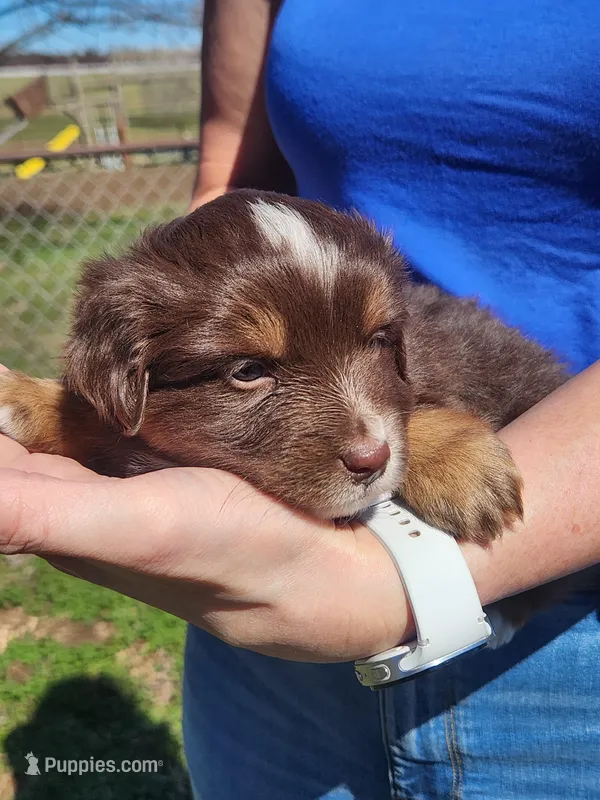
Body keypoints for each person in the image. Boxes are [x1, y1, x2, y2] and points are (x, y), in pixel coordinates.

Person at [1, 0, 599, 797]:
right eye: (253, 368)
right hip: (260, 631)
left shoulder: (429, 354)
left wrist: (424, 516)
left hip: (557, 618)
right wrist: (77, 417)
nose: (364, 438)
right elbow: (230, 179)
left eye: (379, 344)